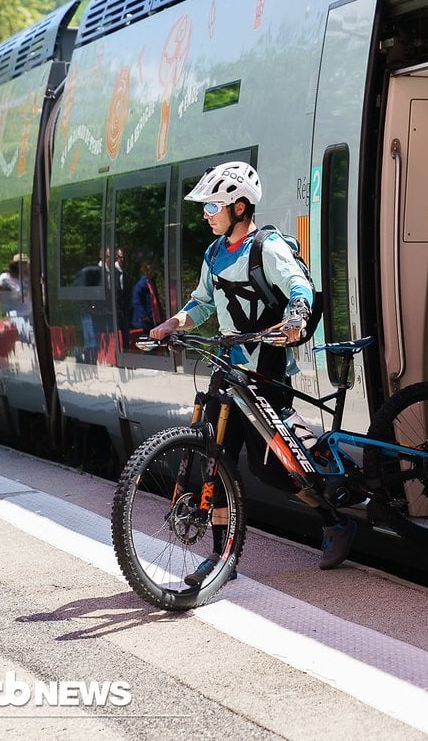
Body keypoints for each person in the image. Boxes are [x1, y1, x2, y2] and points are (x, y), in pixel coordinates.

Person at [149, 161, 356, 580]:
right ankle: (222, 556)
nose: (205, 215)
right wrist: (173, 323)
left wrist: (296, 316)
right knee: (215, 459)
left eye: (212, 208)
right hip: (228, 371)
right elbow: (202, 303)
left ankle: (334, 519)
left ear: (239, 207)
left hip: (266, 371)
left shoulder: (267, 247)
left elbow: (300, 287)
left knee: (271, 468)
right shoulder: (214, 253)